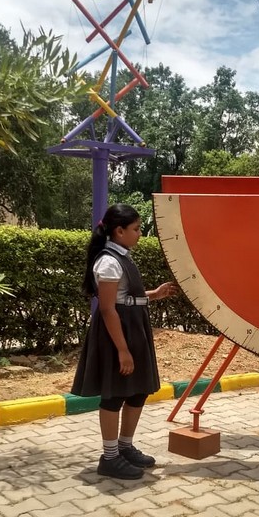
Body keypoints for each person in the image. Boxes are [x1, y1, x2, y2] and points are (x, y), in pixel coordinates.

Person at [71, 204, 178, 480]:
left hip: (134, 327)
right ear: (119, 231)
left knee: (138, 390)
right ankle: (109, 458)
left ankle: (125, 447)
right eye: (136, 229)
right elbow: (108, 309)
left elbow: (125, 296)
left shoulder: (123, 256)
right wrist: (122, 350)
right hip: (117, 332)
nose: (140, 234)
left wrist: (154, 294)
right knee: (116, 393)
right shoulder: (108, 261)